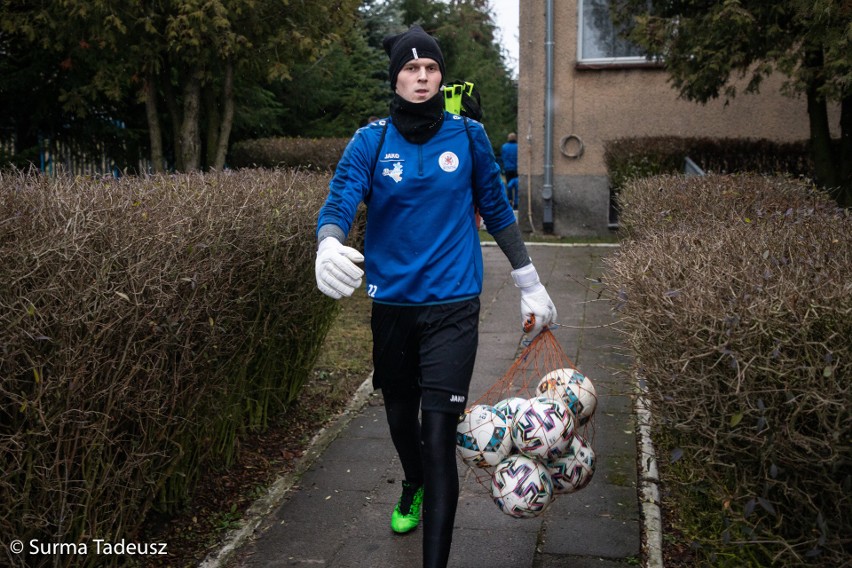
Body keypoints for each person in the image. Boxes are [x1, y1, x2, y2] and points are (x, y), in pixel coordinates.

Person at [314, 24, 557, 568]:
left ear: (440, 76)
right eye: (410, 69)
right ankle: (412, 483)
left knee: (438, 430)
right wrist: (327, 243)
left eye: (430, 69)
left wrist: (530, 283)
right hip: (394, 306)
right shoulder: (370, 140)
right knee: (401, 419)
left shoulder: (467, 136)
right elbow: (340, 200)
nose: (422, 77)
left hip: (454, 304)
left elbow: (497, 210)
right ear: (395, 77)